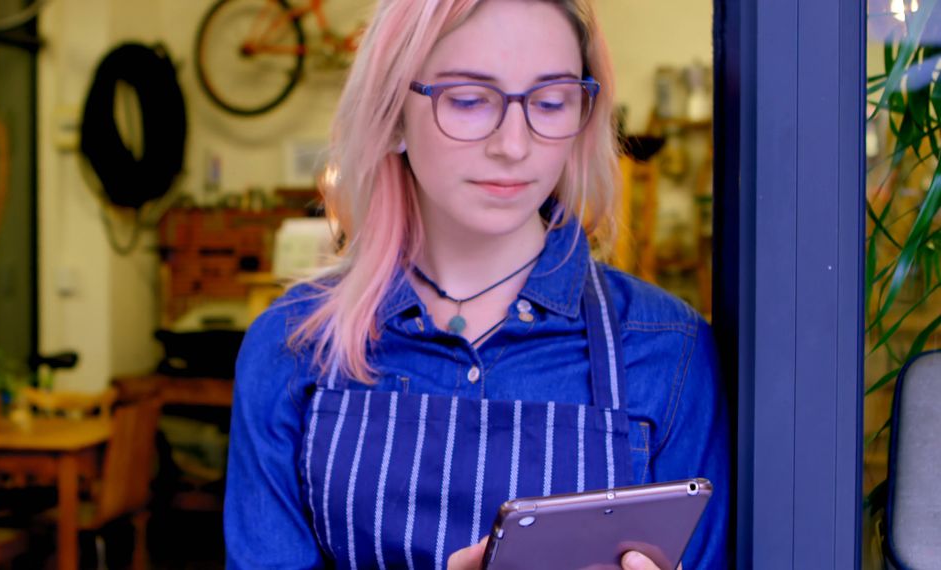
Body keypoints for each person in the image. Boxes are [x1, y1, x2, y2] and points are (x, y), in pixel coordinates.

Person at [223, 0, 730, 566]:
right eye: (467, 100)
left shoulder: (668, 351)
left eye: (551, 100)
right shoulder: (292, 346)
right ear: (393, 115)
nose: (513, 145)